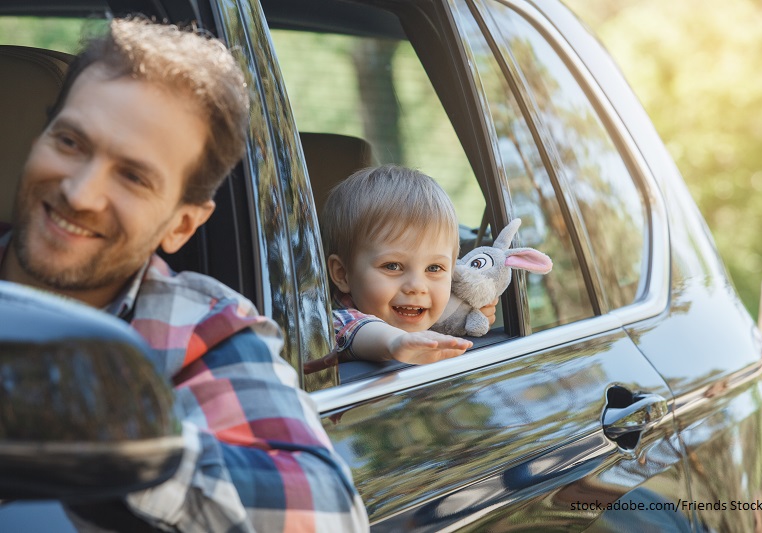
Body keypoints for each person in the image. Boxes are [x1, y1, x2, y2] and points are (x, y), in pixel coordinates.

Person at [0, 18, 369, 532]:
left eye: (133, 176)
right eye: (69, 142)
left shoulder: (201, 330)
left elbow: (329, 513)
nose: (79, 193)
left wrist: (122, 447)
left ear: (182, 224)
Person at [321, 165, 495, 365]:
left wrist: (467, 318)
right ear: (342, 274)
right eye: (393, 266)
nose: (417, 286)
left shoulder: (419, 307)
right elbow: (358, 329)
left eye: (434, 268)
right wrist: (394, 341)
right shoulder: (326, 324)